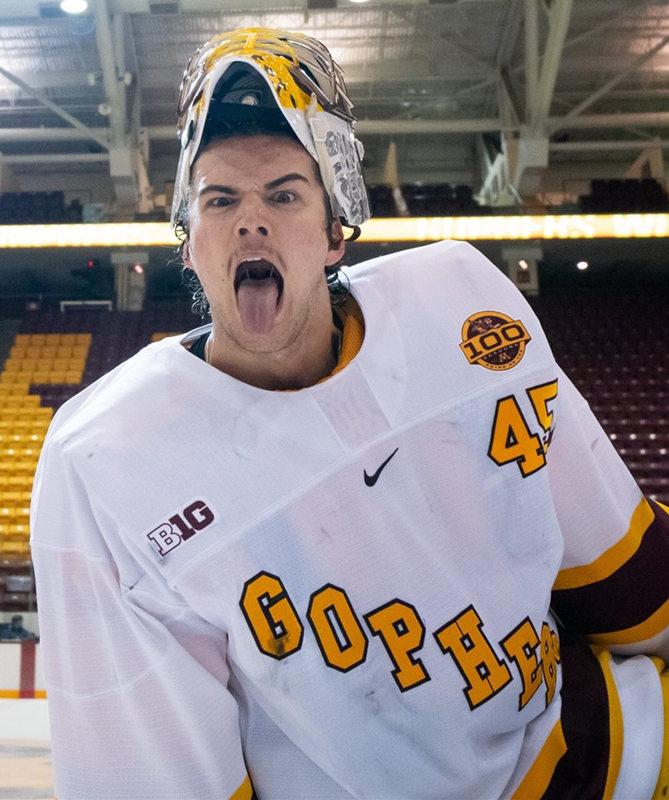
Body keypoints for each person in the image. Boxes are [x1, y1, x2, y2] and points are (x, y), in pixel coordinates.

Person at [31, 27, 669, 800]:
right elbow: (155, 774)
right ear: (188, 242)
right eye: (219, 199)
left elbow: (628, 585)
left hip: (612, 752)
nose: (249, 221)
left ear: (337, 233)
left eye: (285, 195)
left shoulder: (458, 306)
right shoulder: (104, 458)